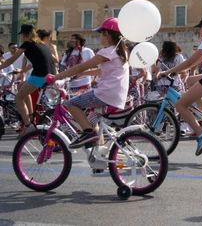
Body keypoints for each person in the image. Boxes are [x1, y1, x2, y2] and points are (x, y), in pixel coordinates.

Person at [47, 18, 129, 148]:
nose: (99, 37)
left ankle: (88, 134)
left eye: (100, 34)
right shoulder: (119, 53)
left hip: (105, 94)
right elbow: (102, 71)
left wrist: (56, 77)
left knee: (70, 104)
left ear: (107, 35)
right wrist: (83, 74)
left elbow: (81, 66)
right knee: (92, 122)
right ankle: (99, 153)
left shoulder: (107, 52)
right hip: (116, 95)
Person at [157, 16, 202, 155]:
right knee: (190, 80)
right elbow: (197, 61)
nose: (199, 31)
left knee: (180, 105)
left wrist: (168, 71)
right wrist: (182, 71)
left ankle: (201, 134)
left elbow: (190, 61)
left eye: (200, 28)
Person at [0, 25, 56, 135]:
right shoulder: (40, 43)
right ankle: (31, 115)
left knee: (18, 98)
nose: (20, 37)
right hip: (50, 75)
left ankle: (28, 125)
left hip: (40, 76)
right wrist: (21, 70)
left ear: (25, 35)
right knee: (21, 86)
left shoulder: (27, 44)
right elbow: (34, 63)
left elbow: (11, 60)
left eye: (21, 34)